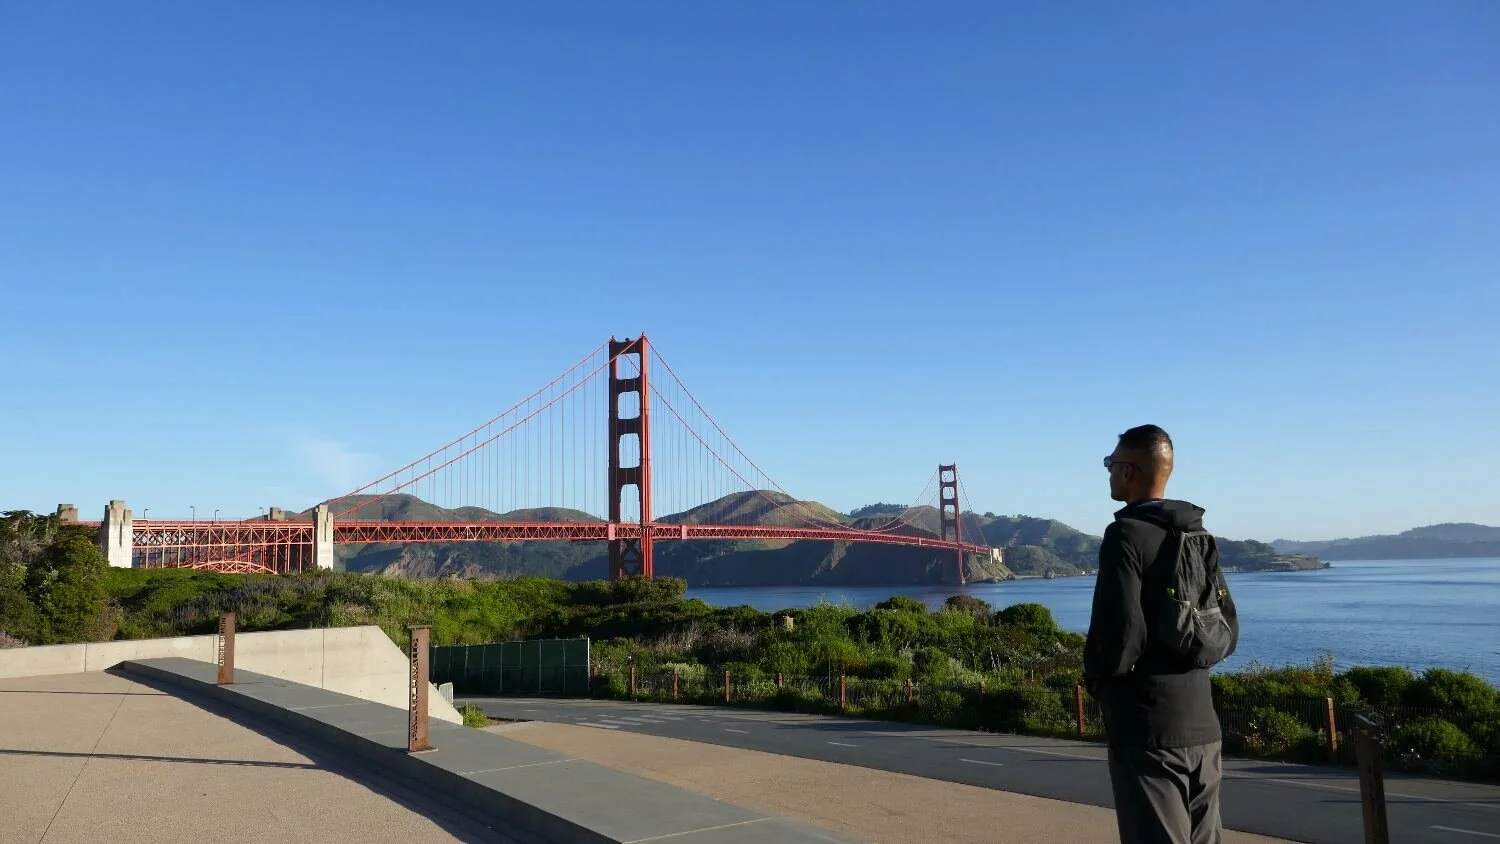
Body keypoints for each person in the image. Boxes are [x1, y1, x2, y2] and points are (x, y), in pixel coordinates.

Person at [1084, 424, 1239, 844]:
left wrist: (1100, 684)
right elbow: (1227, 624)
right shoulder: (1198, 534)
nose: (1109, 473)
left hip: (1147, 726)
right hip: (1203, 724)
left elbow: (1120, 635)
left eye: (1111, 464)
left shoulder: (1125, 535)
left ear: (1130, 471)